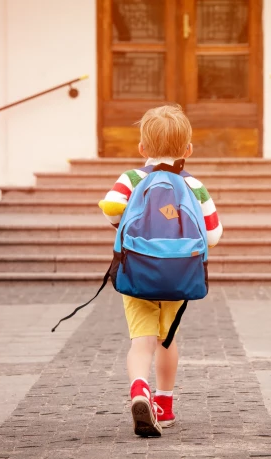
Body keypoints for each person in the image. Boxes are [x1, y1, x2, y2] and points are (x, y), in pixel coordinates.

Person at [98, 105, 223, 437]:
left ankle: (140, 389)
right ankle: (164, 406)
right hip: (178, 275)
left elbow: (111, 208)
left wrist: (124, 224)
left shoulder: (131, 178)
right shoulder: (193, 185)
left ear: (142, 149)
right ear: (188, 150)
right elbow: (212, 234)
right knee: (167, 340)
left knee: (141, 341)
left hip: (137, 272)